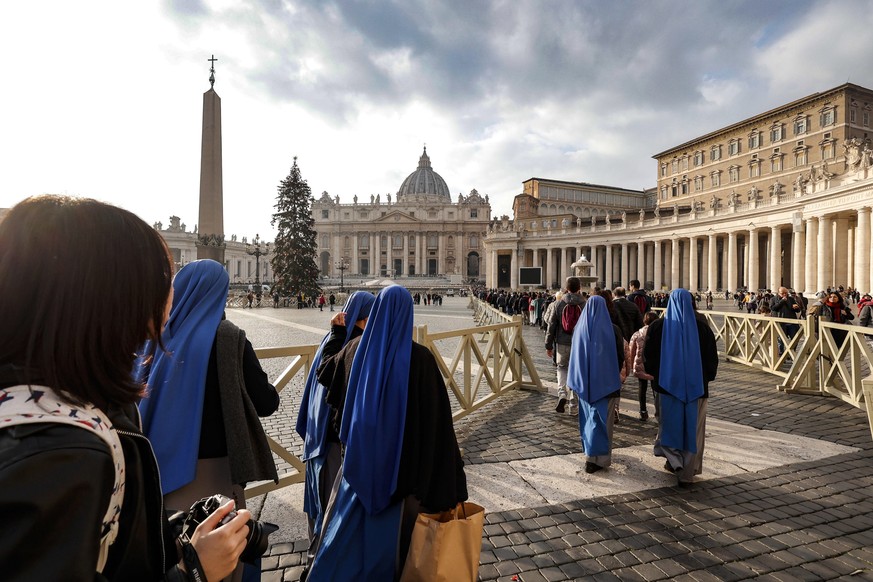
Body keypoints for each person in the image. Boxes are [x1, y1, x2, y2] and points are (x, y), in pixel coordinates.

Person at [0, 195, 249, 581]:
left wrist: (172, 530)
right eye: (163, 279)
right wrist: (192, 571)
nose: (171, 296)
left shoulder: (67, 404)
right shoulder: (63, 456)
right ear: (113, 297)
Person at [308, 285, 467, 581]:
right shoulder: (422, 359)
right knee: (401, 548)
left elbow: (324, 373)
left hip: (357, 467)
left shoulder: (354, 350)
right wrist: (453, 482)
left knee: (350, 540)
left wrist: (336, 334)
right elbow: (440, 425)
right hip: (406, 477)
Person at [137, 259, 280, 582]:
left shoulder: (157, 334)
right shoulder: (228, 336)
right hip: (216, 468)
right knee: (221, 553)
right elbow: (267, 402)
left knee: (172, 549)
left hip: (156, 468)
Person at [295, 291, 375, 572]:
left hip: (318, 438)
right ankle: (324, 568)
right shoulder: (357, 346)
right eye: (369, 317)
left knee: (320, 510)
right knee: (335, 514)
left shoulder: (329, 340)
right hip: (335, 442)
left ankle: (316, 560)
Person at [644, 289, 719, 487]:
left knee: (669, 424)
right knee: (694, 429)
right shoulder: (702, 328)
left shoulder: (658, 326)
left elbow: (648, 358)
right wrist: (704, 379)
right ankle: (687, 472)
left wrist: (658, 376)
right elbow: (712, 359)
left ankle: (674, 460)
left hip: (665, 387)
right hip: (697, 389)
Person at [566, 295, 625, 474]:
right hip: (606, 384)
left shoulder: (579, 328)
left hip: (584, 383)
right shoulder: (613, 329)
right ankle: (602, 459)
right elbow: (620, 357)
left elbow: (574, 356)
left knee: (588, 419)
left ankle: (590, 457)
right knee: (604, 421)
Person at [546, 277, 587, 416]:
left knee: (562, 368)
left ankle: (562, 393)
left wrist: (548, 345)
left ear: (567, 288)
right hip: (579, 343)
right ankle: (573, 404)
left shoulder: (559, 304)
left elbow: (551, 326)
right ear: (579, 287)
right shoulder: (585, 304)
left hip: (562, 342)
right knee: (576, 372)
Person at [629, 311, 660, 421]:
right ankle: (658, 412)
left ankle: (643, 411)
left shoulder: (637, 334)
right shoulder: (659, 333)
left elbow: (631, 351)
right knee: (656, 390)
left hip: (640, 365)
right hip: (654, 366)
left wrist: (631, 366)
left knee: (642, 389)